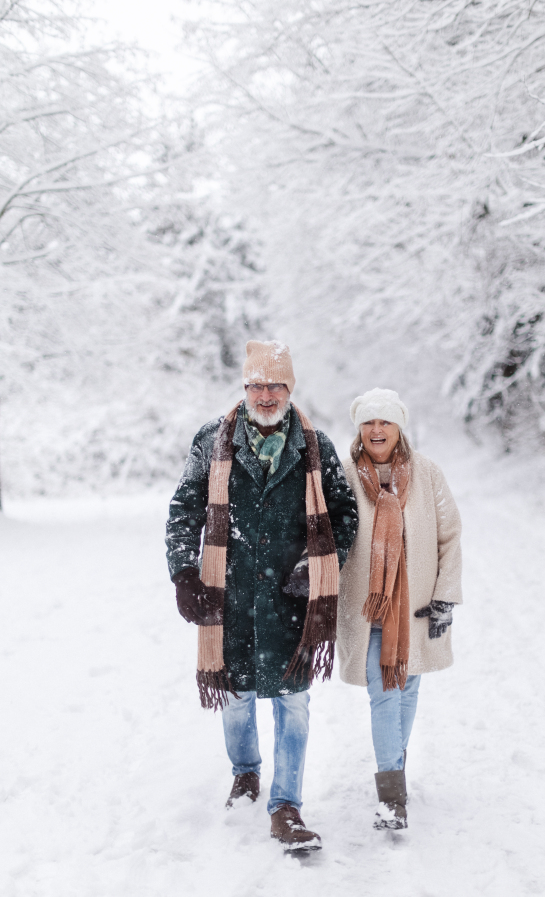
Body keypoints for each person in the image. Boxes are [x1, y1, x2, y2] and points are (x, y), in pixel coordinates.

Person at [165, 340, 358, 851]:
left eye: (275, 385)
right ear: (245, 388)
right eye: (256, 384)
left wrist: (314, 569)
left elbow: (343, 515)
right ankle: (245, 773)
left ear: (290, 389)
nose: (265, 394)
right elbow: (184, 508)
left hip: (291, 599)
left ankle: (286, 805)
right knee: (235, 697)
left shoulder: (315, 448)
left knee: (292, 703)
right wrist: (185, 573)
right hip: (226, 598)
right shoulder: (213, 440)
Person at [337, 388, 462, 830]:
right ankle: (392, 796)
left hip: (418, 606)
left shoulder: (427, 473)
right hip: (365, 607)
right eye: (369, 422)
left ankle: (395, 767)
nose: (376, 430)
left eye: (385, 422)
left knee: (407, 689)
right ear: (359, 428)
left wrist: (446, 593)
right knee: (385, 691)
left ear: (398, 427)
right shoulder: (346, 474)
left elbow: (449, 535)